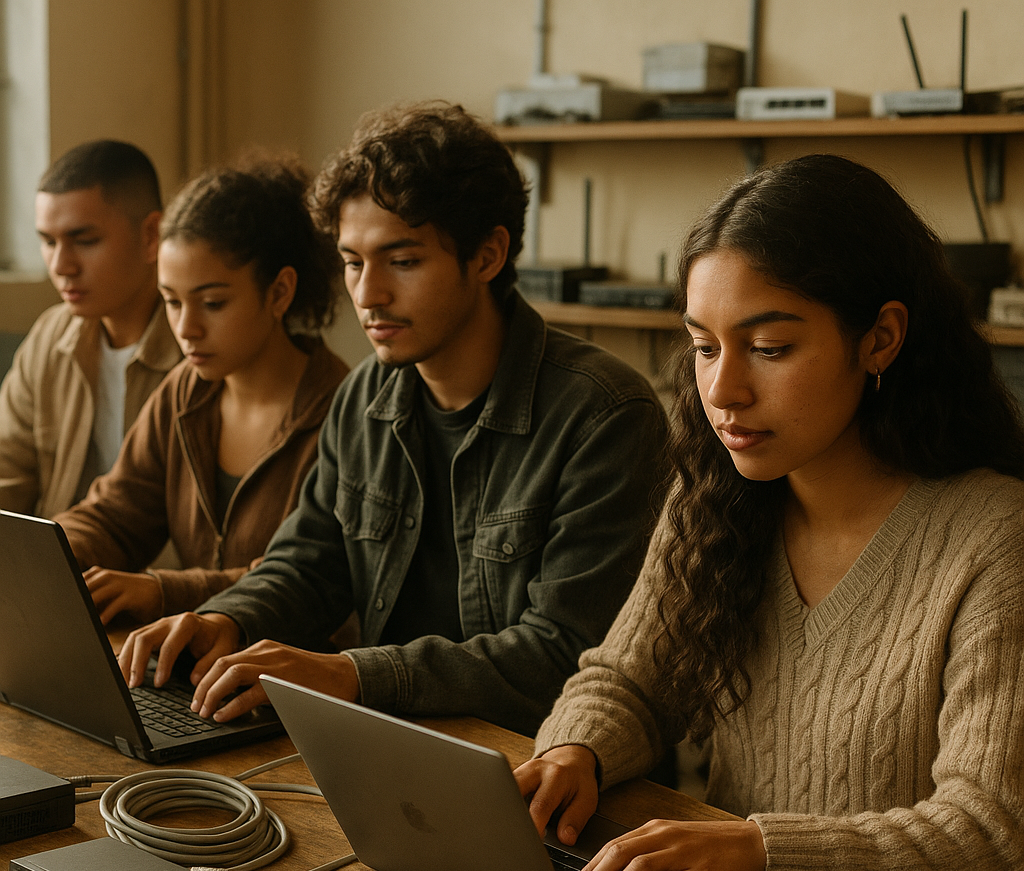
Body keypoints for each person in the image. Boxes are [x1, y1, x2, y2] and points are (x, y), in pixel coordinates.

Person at [514, 154, 1024, 871]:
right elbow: (629, 682)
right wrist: (573, 752)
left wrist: (754, 849)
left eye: (770, 348)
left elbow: (990, 843)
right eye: (705, 346)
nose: (721, 392)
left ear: (881, 339)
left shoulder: (994, 536)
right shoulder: (714, 495)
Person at [117, 101, 668, 736]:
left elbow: (562, 654)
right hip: (390, 742)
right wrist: (228, 619)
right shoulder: (365, 397)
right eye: (353, 262)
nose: (368, 294)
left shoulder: (604, 415)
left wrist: (353, 674)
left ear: (488, 255)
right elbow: (307, 563)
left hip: (540, 769)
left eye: (401, 262)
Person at [54, 158, 348, 623]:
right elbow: (115, 514)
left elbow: (309, 579)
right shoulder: (187, 394)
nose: (186, 328)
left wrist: (164, 590)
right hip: (190, 668)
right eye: (171, 301)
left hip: (284, 681)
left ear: (279, 293)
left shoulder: (341, 412)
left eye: (213, 303)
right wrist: (52, 554)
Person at [0, 140, 181, 517]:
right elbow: (8, 478)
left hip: (159, 575)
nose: (61, 265)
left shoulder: (198, 344)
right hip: (61, 566)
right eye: (48, 242)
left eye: (84, 241)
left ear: (151, 235)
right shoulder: (49, 338)